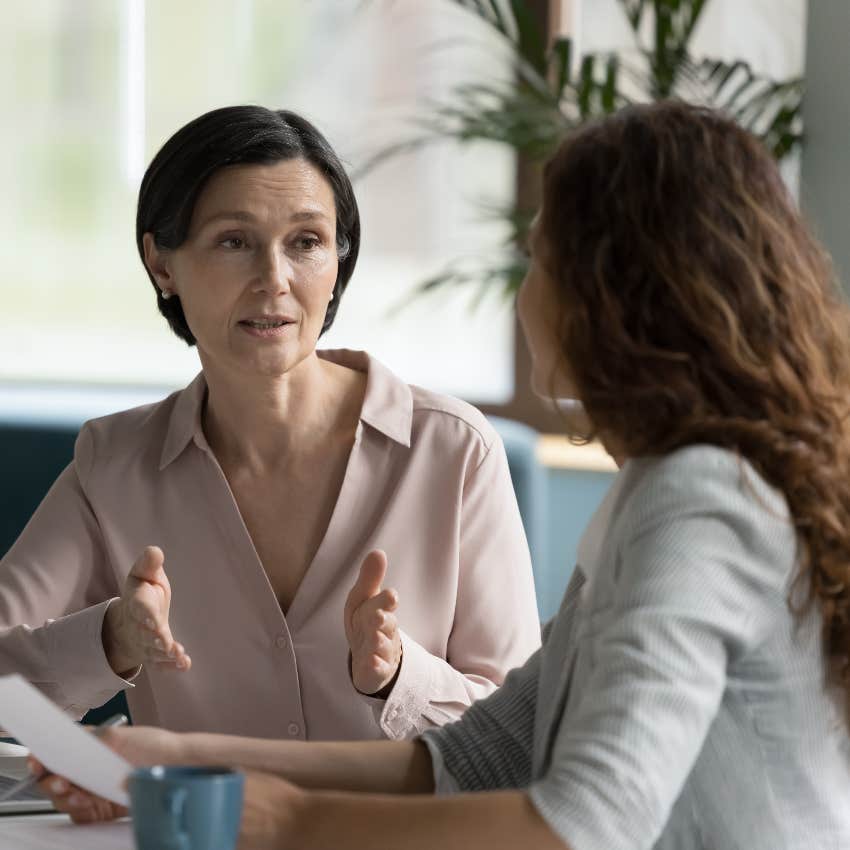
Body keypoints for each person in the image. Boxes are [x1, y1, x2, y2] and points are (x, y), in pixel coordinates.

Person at [42, 99, 850, 849]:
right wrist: (183, 755)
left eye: (540, 263)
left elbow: (587, 824)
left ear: (614, 297)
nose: (525, 297)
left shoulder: (698, 502)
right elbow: (485, 753)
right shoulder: (659, 486)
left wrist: (287, 816)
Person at [0, 105, 540, 742]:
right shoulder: (114, 464)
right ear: (162, 263)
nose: (275, 280)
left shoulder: (454, 452)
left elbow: (521, 737)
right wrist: (112, 640)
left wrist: (399, 677)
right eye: (235, 241)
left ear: (338, 262)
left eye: (306, 243)